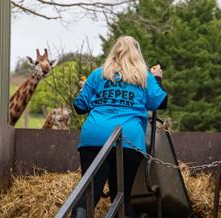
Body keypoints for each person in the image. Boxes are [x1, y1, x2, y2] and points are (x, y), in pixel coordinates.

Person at [72, 36, 168, 218]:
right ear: (136, 54)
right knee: (121, 195)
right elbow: (161, 102)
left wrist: (84, 89)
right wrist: (157, 78)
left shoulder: (98, 74)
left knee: (89, 192)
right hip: (128, 139)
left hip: (94, 137)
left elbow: (79, 106)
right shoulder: (144, 76)